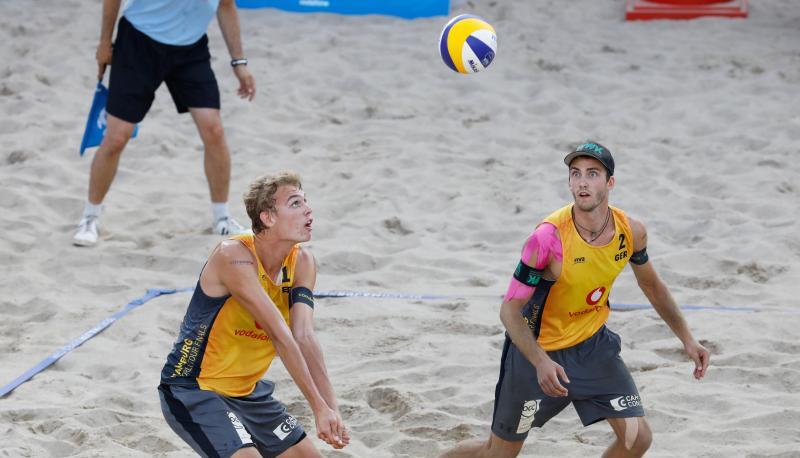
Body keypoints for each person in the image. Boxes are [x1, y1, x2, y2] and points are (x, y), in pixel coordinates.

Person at [442, 142, 710, 458]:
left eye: (592, 174)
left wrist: (688, 340)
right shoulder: (547, 238)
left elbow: (652, 286)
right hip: (537, 353)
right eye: (575, 174)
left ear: (610, 183)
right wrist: (541, 361)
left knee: (636, 439)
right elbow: (509, 310)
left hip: (593, 349)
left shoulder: (631, 231)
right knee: (497, 454)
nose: (582, 182)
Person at [158, 172, 349, 457]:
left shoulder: (303, 263)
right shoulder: (233, 256)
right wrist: (317, 407)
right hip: (194, 388)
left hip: (249, 393)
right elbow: (280, 335)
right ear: (268, 218)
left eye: (306, 201)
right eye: (295, 203)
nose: (308, 209)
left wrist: (330, 408)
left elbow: (304, 336)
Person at [73, 0, 256, 247]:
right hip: (139, 42)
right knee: (117, 137)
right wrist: (105, 42)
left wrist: (239, 62)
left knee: (214, 130)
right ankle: (89, 218)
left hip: (191, 49)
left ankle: (222, 218)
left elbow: (226, 5)